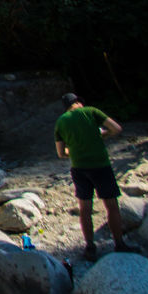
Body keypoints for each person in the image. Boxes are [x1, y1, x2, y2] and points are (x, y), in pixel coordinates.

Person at [54, 92, 135, 260]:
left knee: (85, 209)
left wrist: (75, 149)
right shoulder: (91, 111)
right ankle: (119, 243)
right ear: (78, 102)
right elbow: (117, 129)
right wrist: (101, 134)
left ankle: (90, 247)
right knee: (111, 205)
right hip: (100, 166)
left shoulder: (61, 122)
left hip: (79, 169)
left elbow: (61, 153)